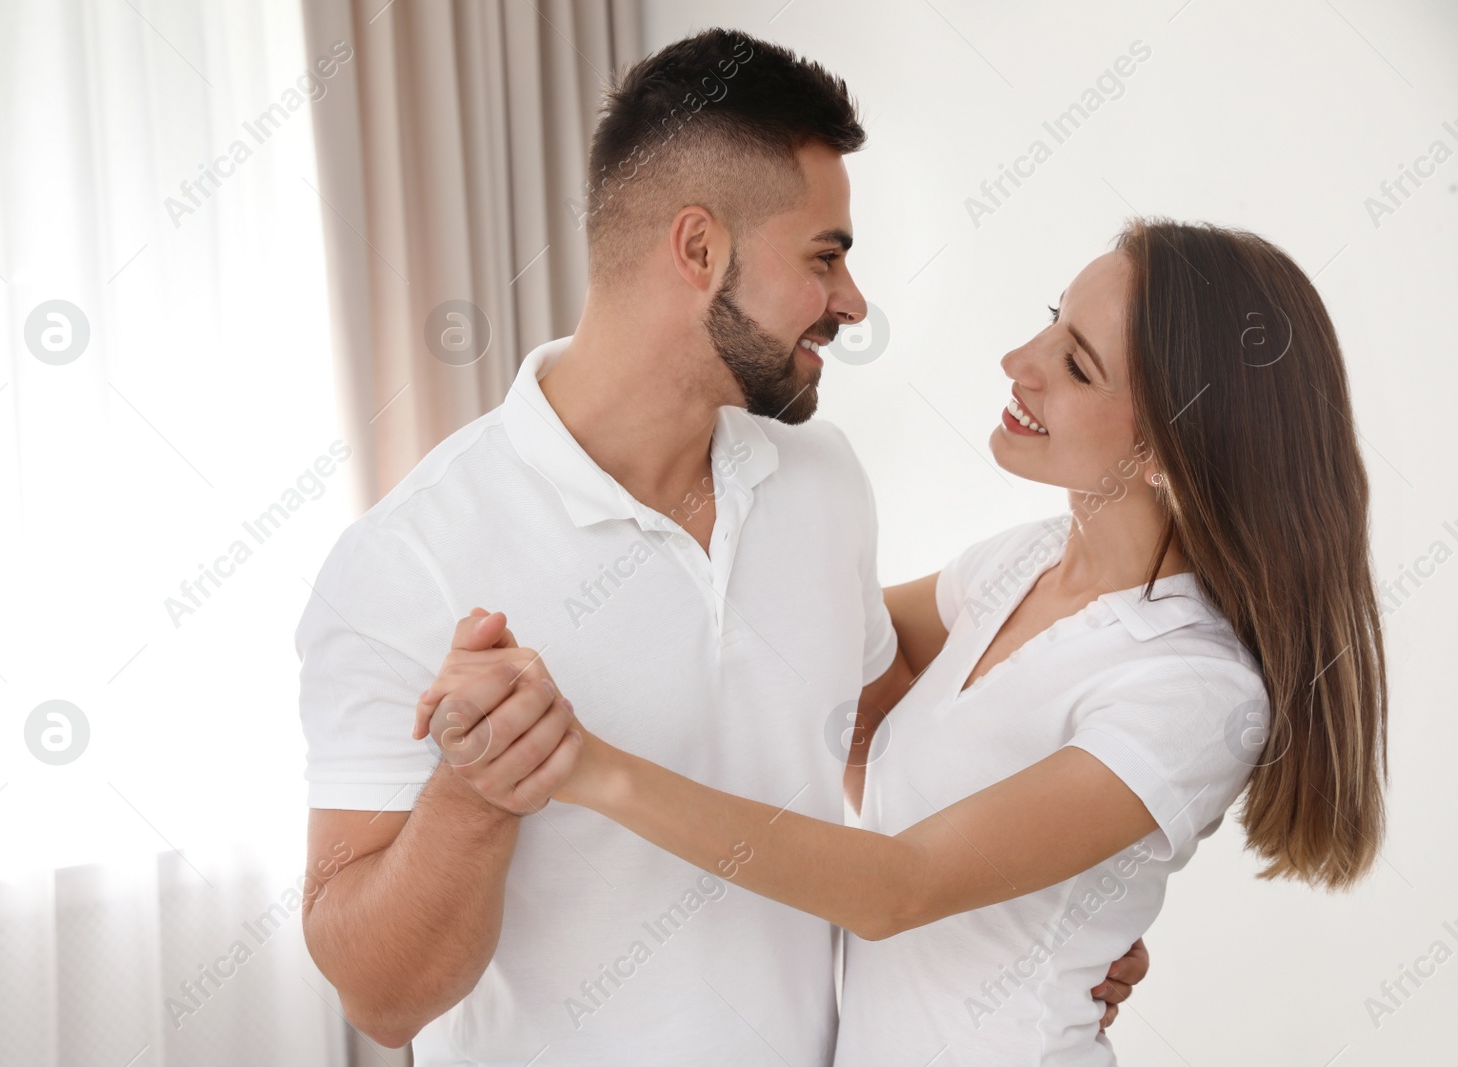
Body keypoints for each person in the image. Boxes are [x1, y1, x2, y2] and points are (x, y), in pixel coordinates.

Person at [295, 27, 1146, 1065]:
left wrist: (1032, 925)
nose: (852, 302)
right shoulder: (409, 558)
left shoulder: (820, 481)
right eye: (824, 257)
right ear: (698, 250)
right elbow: (380, 998)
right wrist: (472, 793)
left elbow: (879, 738)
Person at [419, 218, 1389, 1064]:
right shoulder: (1023, 563)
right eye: (1053, 317)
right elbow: (807, 637)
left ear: (1170, 449)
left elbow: (897, 886)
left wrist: (580, 762)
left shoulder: (1192, 687)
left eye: (1077, 361)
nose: (1020, 358)